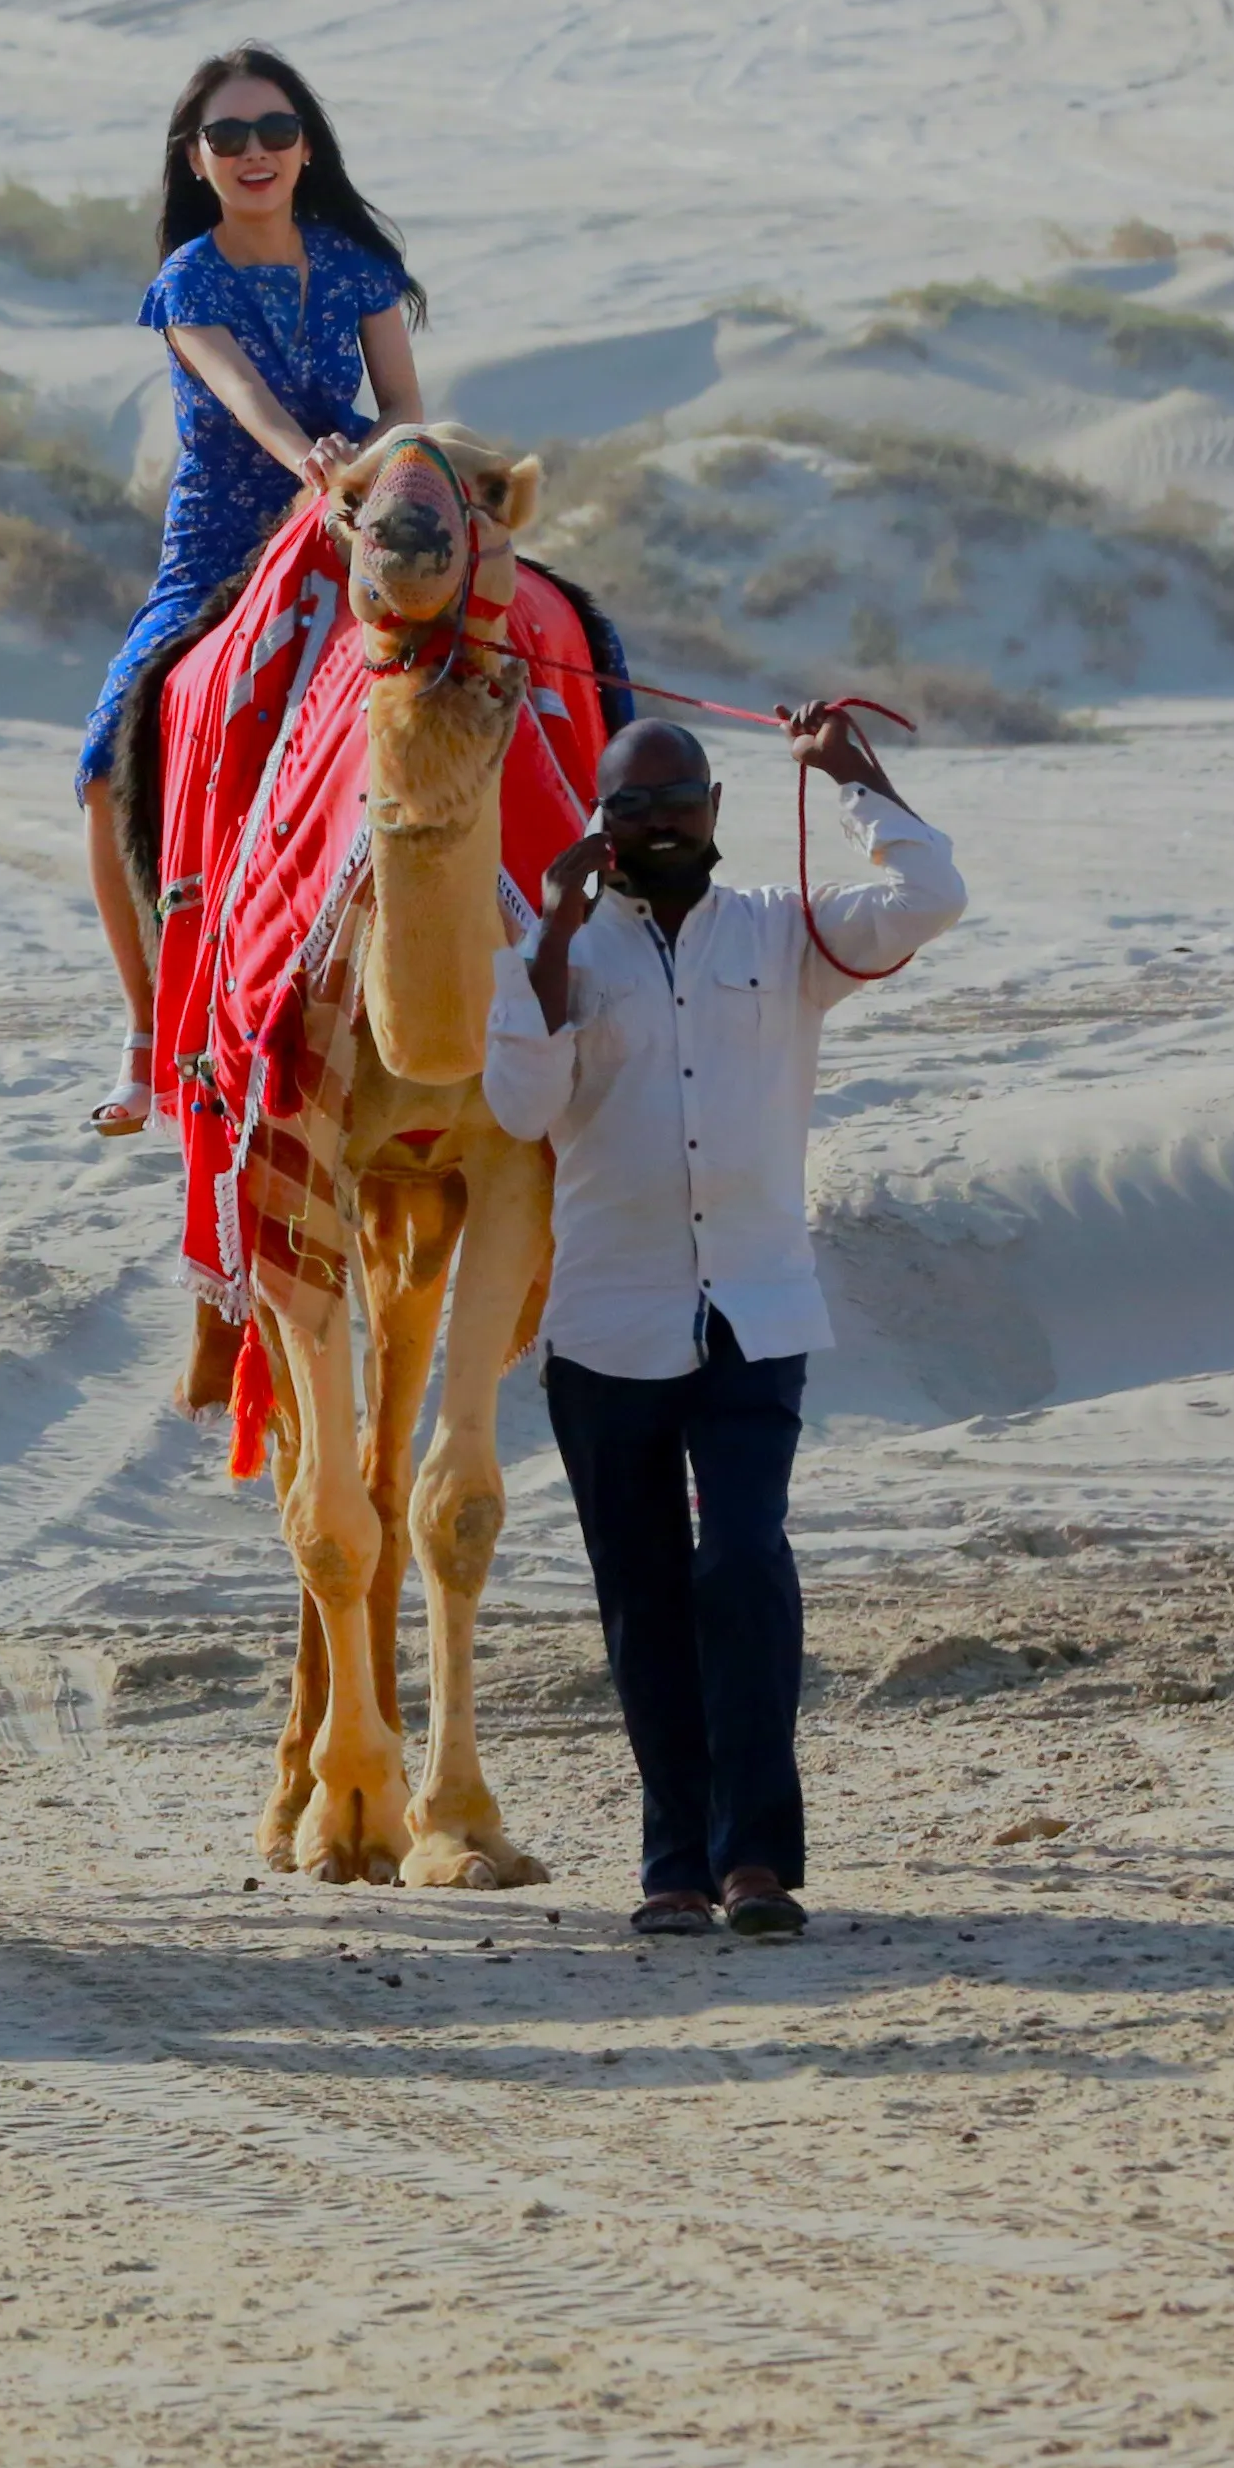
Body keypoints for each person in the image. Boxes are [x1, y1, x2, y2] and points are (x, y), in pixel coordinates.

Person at [478, 708, 965, 1941]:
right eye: (628, 809)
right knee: (644, 1596)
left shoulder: (779, 931)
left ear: (713, 806)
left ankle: (757, 1861)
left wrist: (858, 780)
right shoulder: (560, 953)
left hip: (755, 1307)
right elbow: (524, 1103)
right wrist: (548, 930)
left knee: (743, 1563)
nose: (656, 827)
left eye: (675, 802)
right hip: (607, 1321)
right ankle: (674, 1868)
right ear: (600, 825)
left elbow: (927, 897)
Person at [83, 44, 424, 1135]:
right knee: (103, 767)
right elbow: (240, 396)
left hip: (361, 518)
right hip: (225, 539)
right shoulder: (188, 277)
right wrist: (309, 461)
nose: (255, 153)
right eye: (227, 137)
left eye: (274, 131)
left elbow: (407, 408)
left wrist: (384, 478)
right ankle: (146, 1031)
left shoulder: (359, 265)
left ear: (306, 144)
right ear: (196, 160)